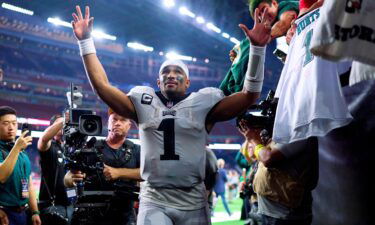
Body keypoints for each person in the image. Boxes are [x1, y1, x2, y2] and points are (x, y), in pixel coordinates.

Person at [70, 5, 272, 224]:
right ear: (158, 81)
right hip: (154, 197)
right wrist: (85, 42)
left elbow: (249, 95)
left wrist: (257, 50)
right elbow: (102, 86)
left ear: (188, 82)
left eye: (178, 73)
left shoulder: (204, 102)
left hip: (193, 199)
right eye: (165, 72)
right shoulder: (143, 101)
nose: (171, 75)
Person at [64, 109, 141, 225]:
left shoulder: (136, 150)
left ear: (129, 126)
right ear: (108, 123)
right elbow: (68, 177)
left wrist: (119, 173)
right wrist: (69, 179)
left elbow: (148, 173)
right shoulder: (90, 147)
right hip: (92, 214)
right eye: (114, 119)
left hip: (124, 215)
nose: (118, 123)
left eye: (123, 120)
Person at [220, 0, 299, 96]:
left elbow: (284, 23)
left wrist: (251, 43)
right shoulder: (278, 33)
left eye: (263, 9)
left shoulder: (286, 5)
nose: (262, 16)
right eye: (259, 16)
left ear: (274, 3)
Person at [0, 106, 41, 225]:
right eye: (6, 123)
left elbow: (29, 184)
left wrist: (35, 212)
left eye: (14, 123)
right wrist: (16, 148)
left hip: (22, 213)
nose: (11, 127)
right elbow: (2, 176)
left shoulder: (22, 154)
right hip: (4, 214)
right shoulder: (17, 150)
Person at [37, 114, 73, 224]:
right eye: (59, 124)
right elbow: (44, 138)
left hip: (70, 204)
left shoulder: (71, 149)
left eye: (66, 124)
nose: (63, 126)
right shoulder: (49, 146)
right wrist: (63, 119)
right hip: (51, 206)